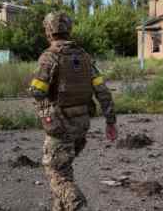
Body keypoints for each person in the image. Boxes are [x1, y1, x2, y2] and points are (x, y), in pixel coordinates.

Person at [29, 12, 117, 211]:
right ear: (69, 29)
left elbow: (37, 91)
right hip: (81, 126)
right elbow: (102, 91)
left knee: (58, 175)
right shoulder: (84, 57)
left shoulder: (49, 57)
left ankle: (79, 206)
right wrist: (110, 121)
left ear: (49, 31)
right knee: (64, 170)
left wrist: (48, 116)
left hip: (60, 127)